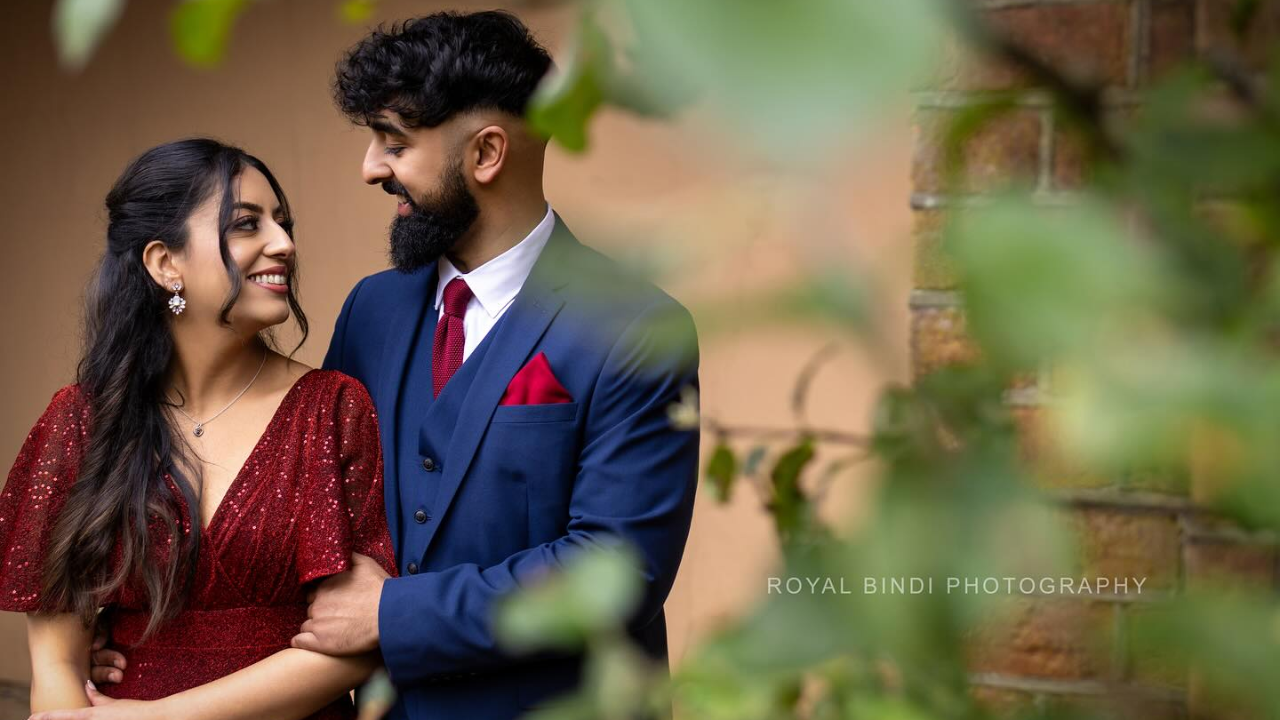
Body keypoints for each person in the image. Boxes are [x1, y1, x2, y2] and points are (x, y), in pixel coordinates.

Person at [2, 138, 398, 720]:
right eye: (246, 224)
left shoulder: (333, 409)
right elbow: (57, 667)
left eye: (283, 223)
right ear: (166, 264)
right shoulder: (82, 422)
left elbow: (354, 645)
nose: (284, 244)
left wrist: (156, 716)